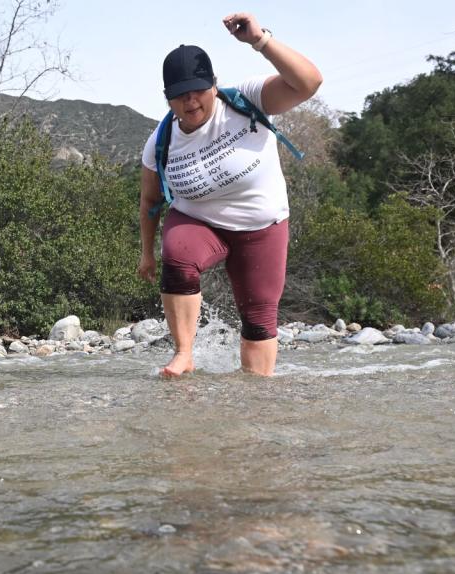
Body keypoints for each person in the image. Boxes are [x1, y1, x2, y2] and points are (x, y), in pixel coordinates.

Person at [138, 12, 322, 378]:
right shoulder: (160, 143)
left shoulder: (247, 100)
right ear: (167, 98)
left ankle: (255, 394)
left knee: (258, 318)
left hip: (262, 225)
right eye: (179, 95)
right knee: (177, 257)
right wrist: (146, 254)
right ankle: (184, 354)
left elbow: (309, 83)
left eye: (198, 90)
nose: (191, 101)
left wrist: (261, 41)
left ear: (214, 85)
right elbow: (150, 202)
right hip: (200, 220)